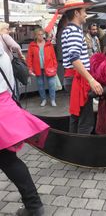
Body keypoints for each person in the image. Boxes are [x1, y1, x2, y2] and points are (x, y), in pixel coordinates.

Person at [0, 41, 49, 216]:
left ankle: (34, 205)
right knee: (8, 159)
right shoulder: (2, 46)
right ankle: (34, 205)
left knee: (7, 159)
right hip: (4, 102)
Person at [60, 0, 103, 134]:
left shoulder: (68, 30)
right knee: (85, 120)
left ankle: (73, 147)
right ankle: (81, 151)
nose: (86, 14)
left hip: (73, 78)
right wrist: (91, 79)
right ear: (77, 13)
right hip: (77, 79)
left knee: (76, 115)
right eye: (84, 11)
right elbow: (75, 58)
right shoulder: (74, 31)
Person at [26, 28, 58, 107]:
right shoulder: (32, 45)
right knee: (40, 85)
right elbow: (29, 58)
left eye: (42, 34)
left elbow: (53, 57)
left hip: (50, 68)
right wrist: (29, 68)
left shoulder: (49, 44)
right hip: (38, 68)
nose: (41, 36)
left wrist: (55, 66)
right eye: (39, 35)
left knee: (52, 84)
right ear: (36, 36)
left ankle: (53, 100)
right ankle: (43, 100)